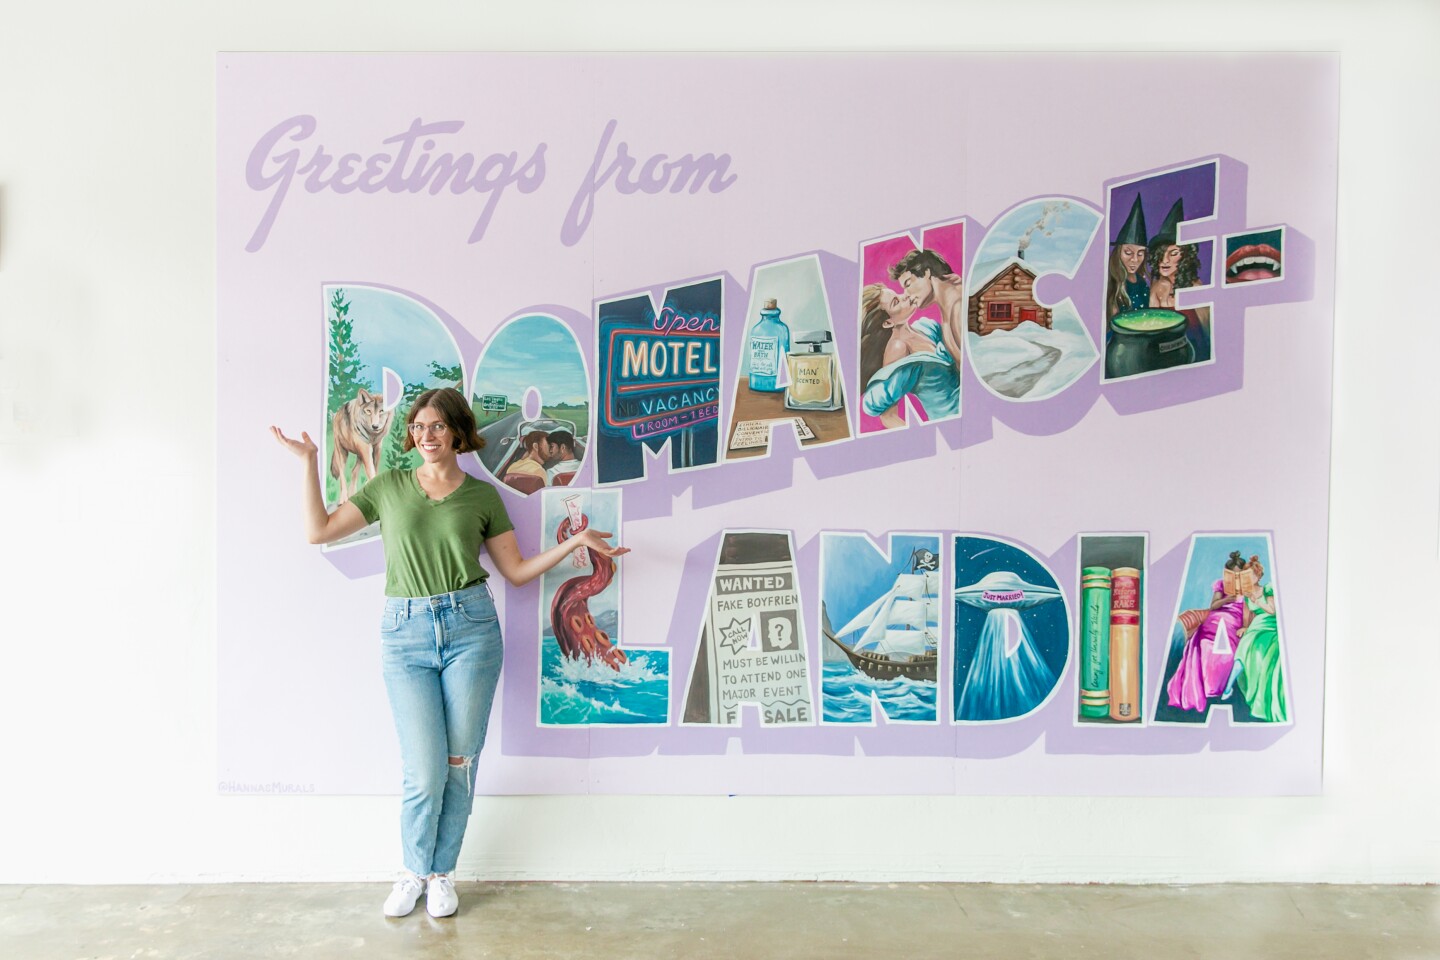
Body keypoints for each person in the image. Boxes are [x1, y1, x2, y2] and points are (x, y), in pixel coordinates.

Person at [270, 387, 627, 919]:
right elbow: (318, 531)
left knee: (460, 763)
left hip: (472, 630)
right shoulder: (388, 486)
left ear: (457, 431)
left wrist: (575, 544)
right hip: (405, 633)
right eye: (417, 427)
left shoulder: (483, 497)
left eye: (436, 426)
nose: (425, 436)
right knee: (422, 767)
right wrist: (309, 463)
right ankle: (413, 870)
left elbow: (518, 571)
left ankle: (441, 874)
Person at [858, 281, 960, 428]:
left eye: (898, 294)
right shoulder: (898, 348)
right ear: (887, 323)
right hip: (950, 425)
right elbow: (888, 416)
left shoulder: (925, 328)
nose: (905, 296)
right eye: (896, 302)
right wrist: (921, 439)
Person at [1165, 551, 1252, 713]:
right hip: (1217, 616)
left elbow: (1246, 610)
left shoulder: (1247, 588)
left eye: (1238, 574)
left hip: (1234, 619)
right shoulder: (1221, 584)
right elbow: (1213, 606)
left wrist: (1245, 625)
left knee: (1226, 646)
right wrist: (1228, 599)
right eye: (1232, 574)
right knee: (1205, 642)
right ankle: (1206, 685)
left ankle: (1220, 686)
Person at [1231, 563, 1287, 722]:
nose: (1248, 579)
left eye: (1251, 576)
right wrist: (1244, 627)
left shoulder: (1267, 589)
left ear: (1258, 576)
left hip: (1270, 625)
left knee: (1258, 648)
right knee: (1248, 641)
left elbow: (1272, 610)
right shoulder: (1247, 595)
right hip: (1256, 627)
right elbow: (1247, 615)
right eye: (1245, 576)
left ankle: (1261, 697)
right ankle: (1230, 687)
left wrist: (1256, 599)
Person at [1106, 193, 1149, 319]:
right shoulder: (1112, 283)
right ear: (1118, 252)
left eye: (1140, 253)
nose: (1135, 259)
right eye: (1128, 253)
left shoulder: (1141, 283)